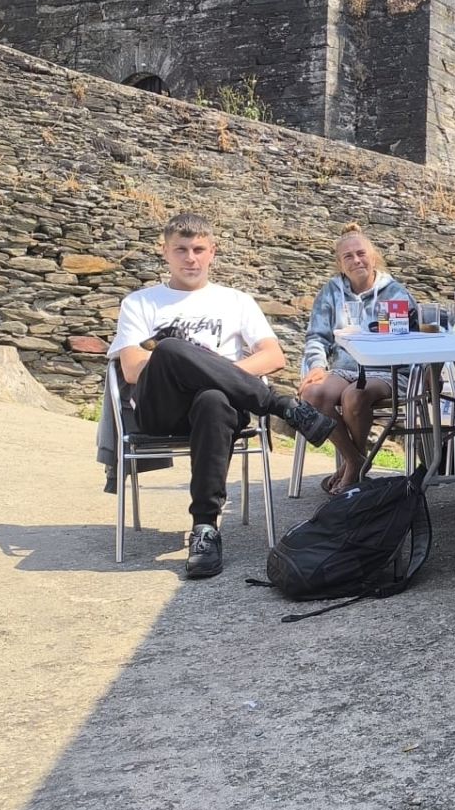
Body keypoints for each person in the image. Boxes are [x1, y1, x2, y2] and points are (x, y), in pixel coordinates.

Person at [107, 212, 336, 579]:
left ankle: (205, 528)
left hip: (221, 408)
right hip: (161, 408)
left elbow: (273, 356)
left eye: (198, 249)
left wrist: (215, 374)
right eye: (181, 249)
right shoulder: (141, 302)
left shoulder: (236, 301)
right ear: (165, 252)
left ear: (212, 252)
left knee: (213, 397)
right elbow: (133, 368)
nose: (190, 258)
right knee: (170, 350)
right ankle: (283, 407)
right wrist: (195, 361)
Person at [299, 227, 417, 493]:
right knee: (313, 394)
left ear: (373, 257)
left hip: (387, 369)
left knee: (355, 395)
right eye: (348, 256)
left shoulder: (395, 293)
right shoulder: (331, 291)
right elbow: (316, 336)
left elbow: (405, 340)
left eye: (361, 253)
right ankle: (355, 459)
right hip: (345, 367)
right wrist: (317, 366)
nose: (356, 261)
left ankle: (352, 467)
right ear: (340, 263)